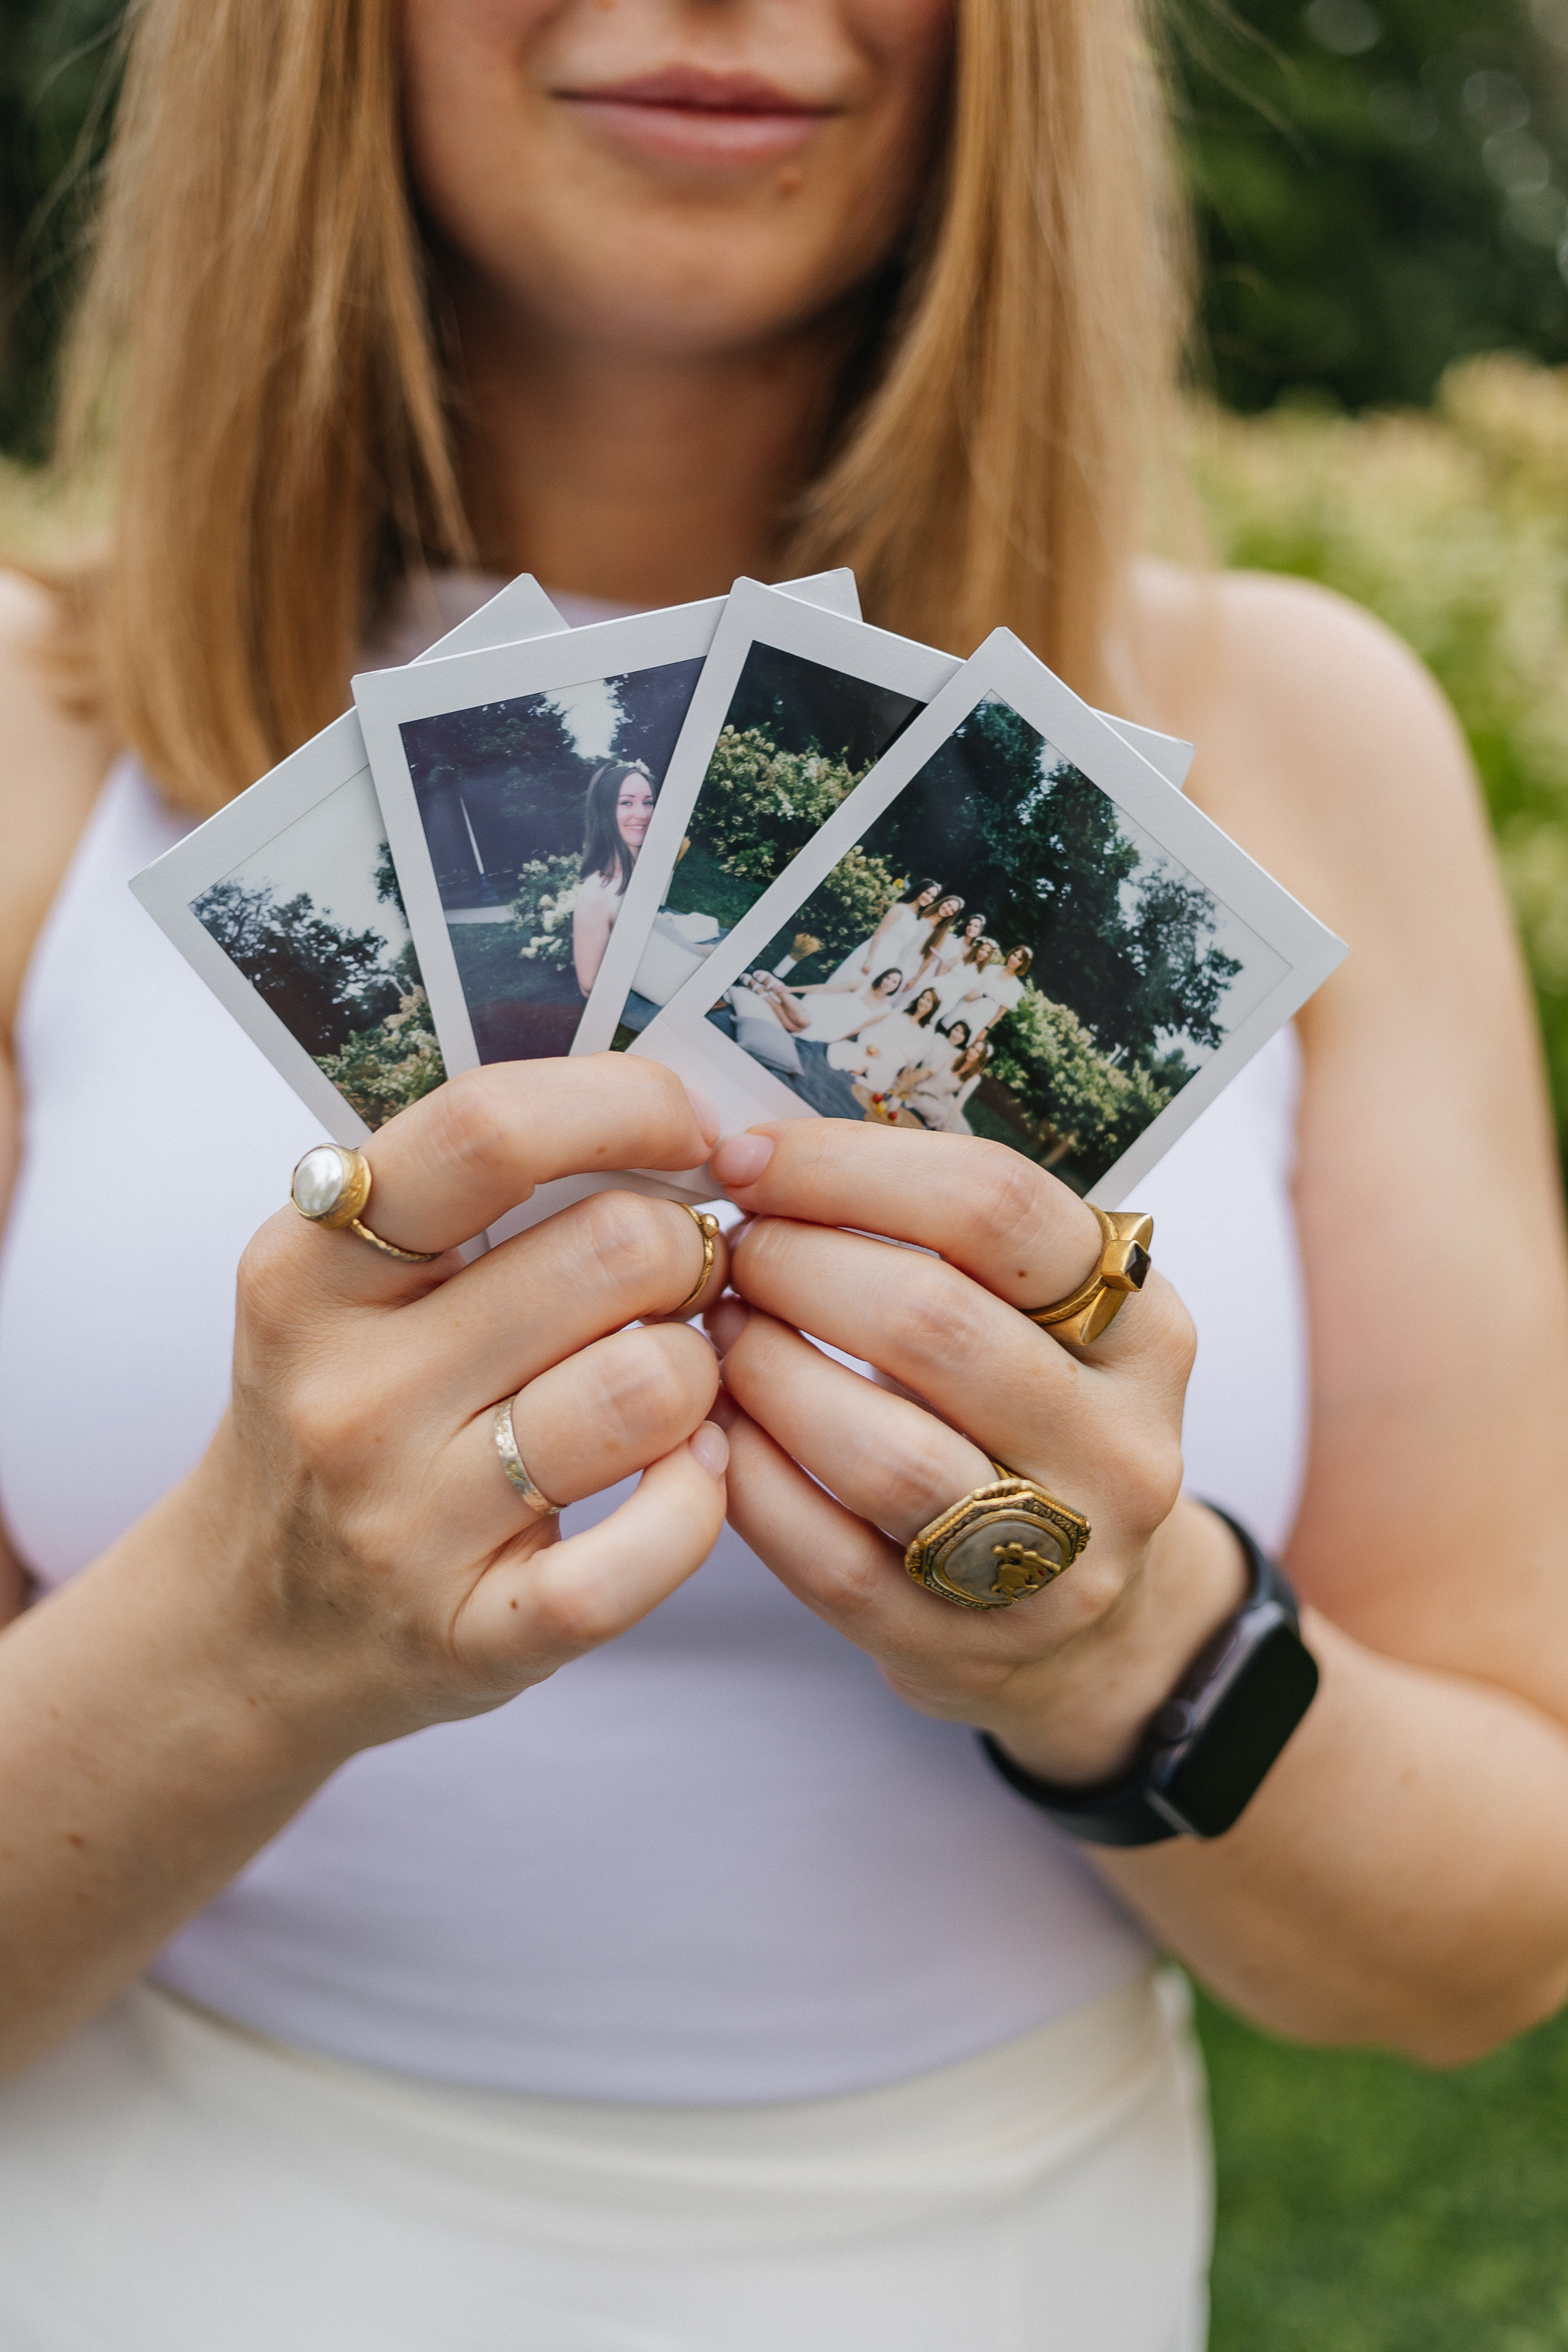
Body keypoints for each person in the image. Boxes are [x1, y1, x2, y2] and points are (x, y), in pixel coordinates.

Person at [2, 0, 1568, 2346]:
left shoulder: (1297, 738)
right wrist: (254, 1628)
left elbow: (1490, 1939)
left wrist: (1126, 1640)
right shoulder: (25, 752)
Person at [571, 759, 655, 994]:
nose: (642, 814)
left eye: (648, 803)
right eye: (626, 803)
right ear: (605, 811)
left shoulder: (656, 871)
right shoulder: (597, 893)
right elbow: (589, 984)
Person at [822, 879, 943, 990]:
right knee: (849, 982)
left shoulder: (917, 920)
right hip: (875, 952)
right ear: (919, 890)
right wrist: (869, 960)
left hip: (890, 959)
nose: (928, 898)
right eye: (927, 893)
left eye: (933, 897)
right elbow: (879, 933)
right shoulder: (900, 908)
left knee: (865, 990)